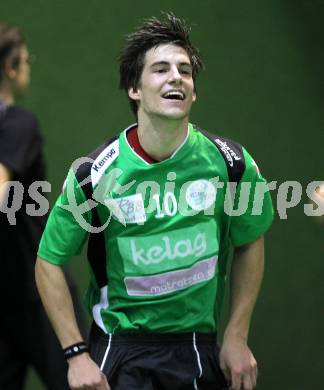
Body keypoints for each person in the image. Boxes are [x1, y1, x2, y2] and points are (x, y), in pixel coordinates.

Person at [35, 13, 274, 390]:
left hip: (197, 346)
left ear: (193, 91)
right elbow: (48, 262)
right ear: (134, 88)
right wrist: (76, 355)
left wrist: (237, 335)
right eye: (160, 69)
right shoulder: (93, 175)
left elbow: (250, 241)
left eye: (185, 71)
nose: (176, 77)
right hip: (120, 348)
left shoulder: (232, 163)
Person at [0, 22, 85, 389]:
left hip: (42, 296)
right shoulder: (19, 121)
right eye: (27, 61)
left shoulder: (17, 125)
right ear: (12, 68)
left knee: (81, 383)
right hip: (5, 301)